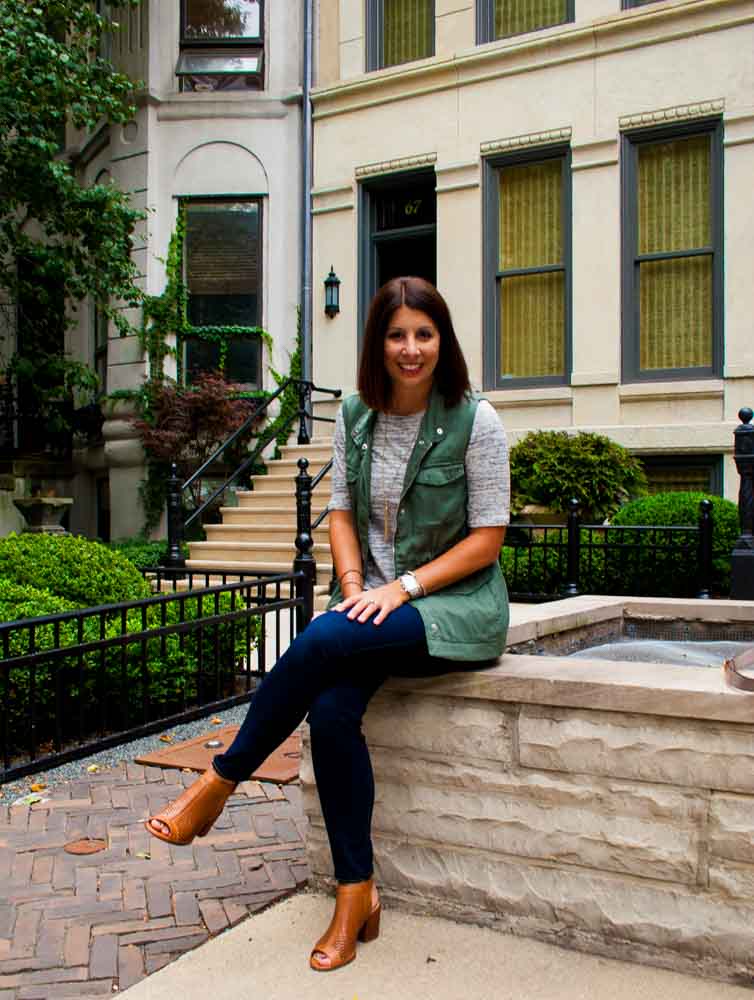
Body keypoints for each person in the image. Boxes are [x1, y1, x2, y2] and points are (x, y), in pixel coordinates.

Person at [146, 276, 510, 972]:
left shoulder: (474, 420)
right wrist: (353, 587)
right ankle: (356, 897)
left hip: (454, 606)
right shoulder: (356, 415)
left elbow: (487, 539)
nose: (410, 349)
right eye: (396, 335)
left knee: (320, 638)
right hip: (372, 604)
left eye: (424, 335)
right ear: (378, 342)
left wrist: (398, 589)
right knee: (334, 712)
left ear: (443, 340)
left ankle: (220, 781)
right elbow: (340, 511)